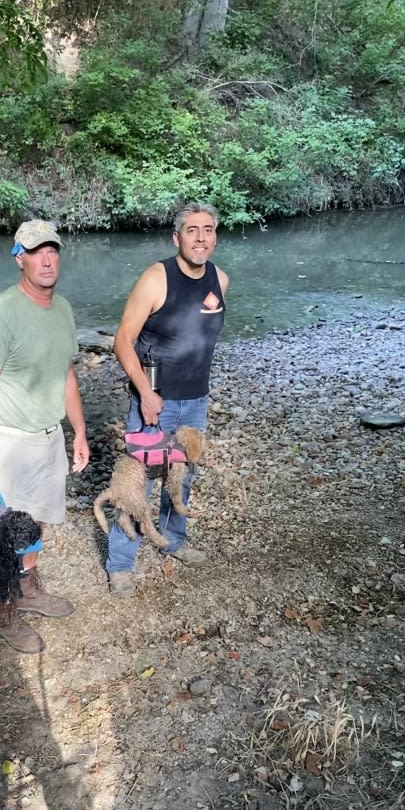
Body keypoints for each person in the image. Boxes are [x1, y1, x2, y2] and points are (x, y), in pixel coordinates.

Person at [0, 219, 90, 652]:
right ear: (19, 257)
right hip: (8, 441)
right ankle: (4, 609)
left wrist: (79, 431)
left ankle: (29, 586)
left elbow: (66, 374)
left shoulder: (64, 310)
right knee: (3, 534)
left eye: (52, 249)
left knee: (35, 519)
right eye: (36, 251)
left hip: (47, 437)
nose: (47, 259)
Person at [105, 202, 229, 595]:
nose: (201, 237)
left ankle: (174, 539)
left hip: (196, 401)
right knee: (136, 481)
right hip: (155, 400)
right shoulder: (156, 278)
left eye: (207, 230)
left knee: (183, 475)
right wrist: (145, 391)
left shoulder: (220, 280)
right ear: (177, 238)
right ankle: (121, 564)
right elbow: (122, 341)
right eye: (192, 230)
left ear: (214, 236)